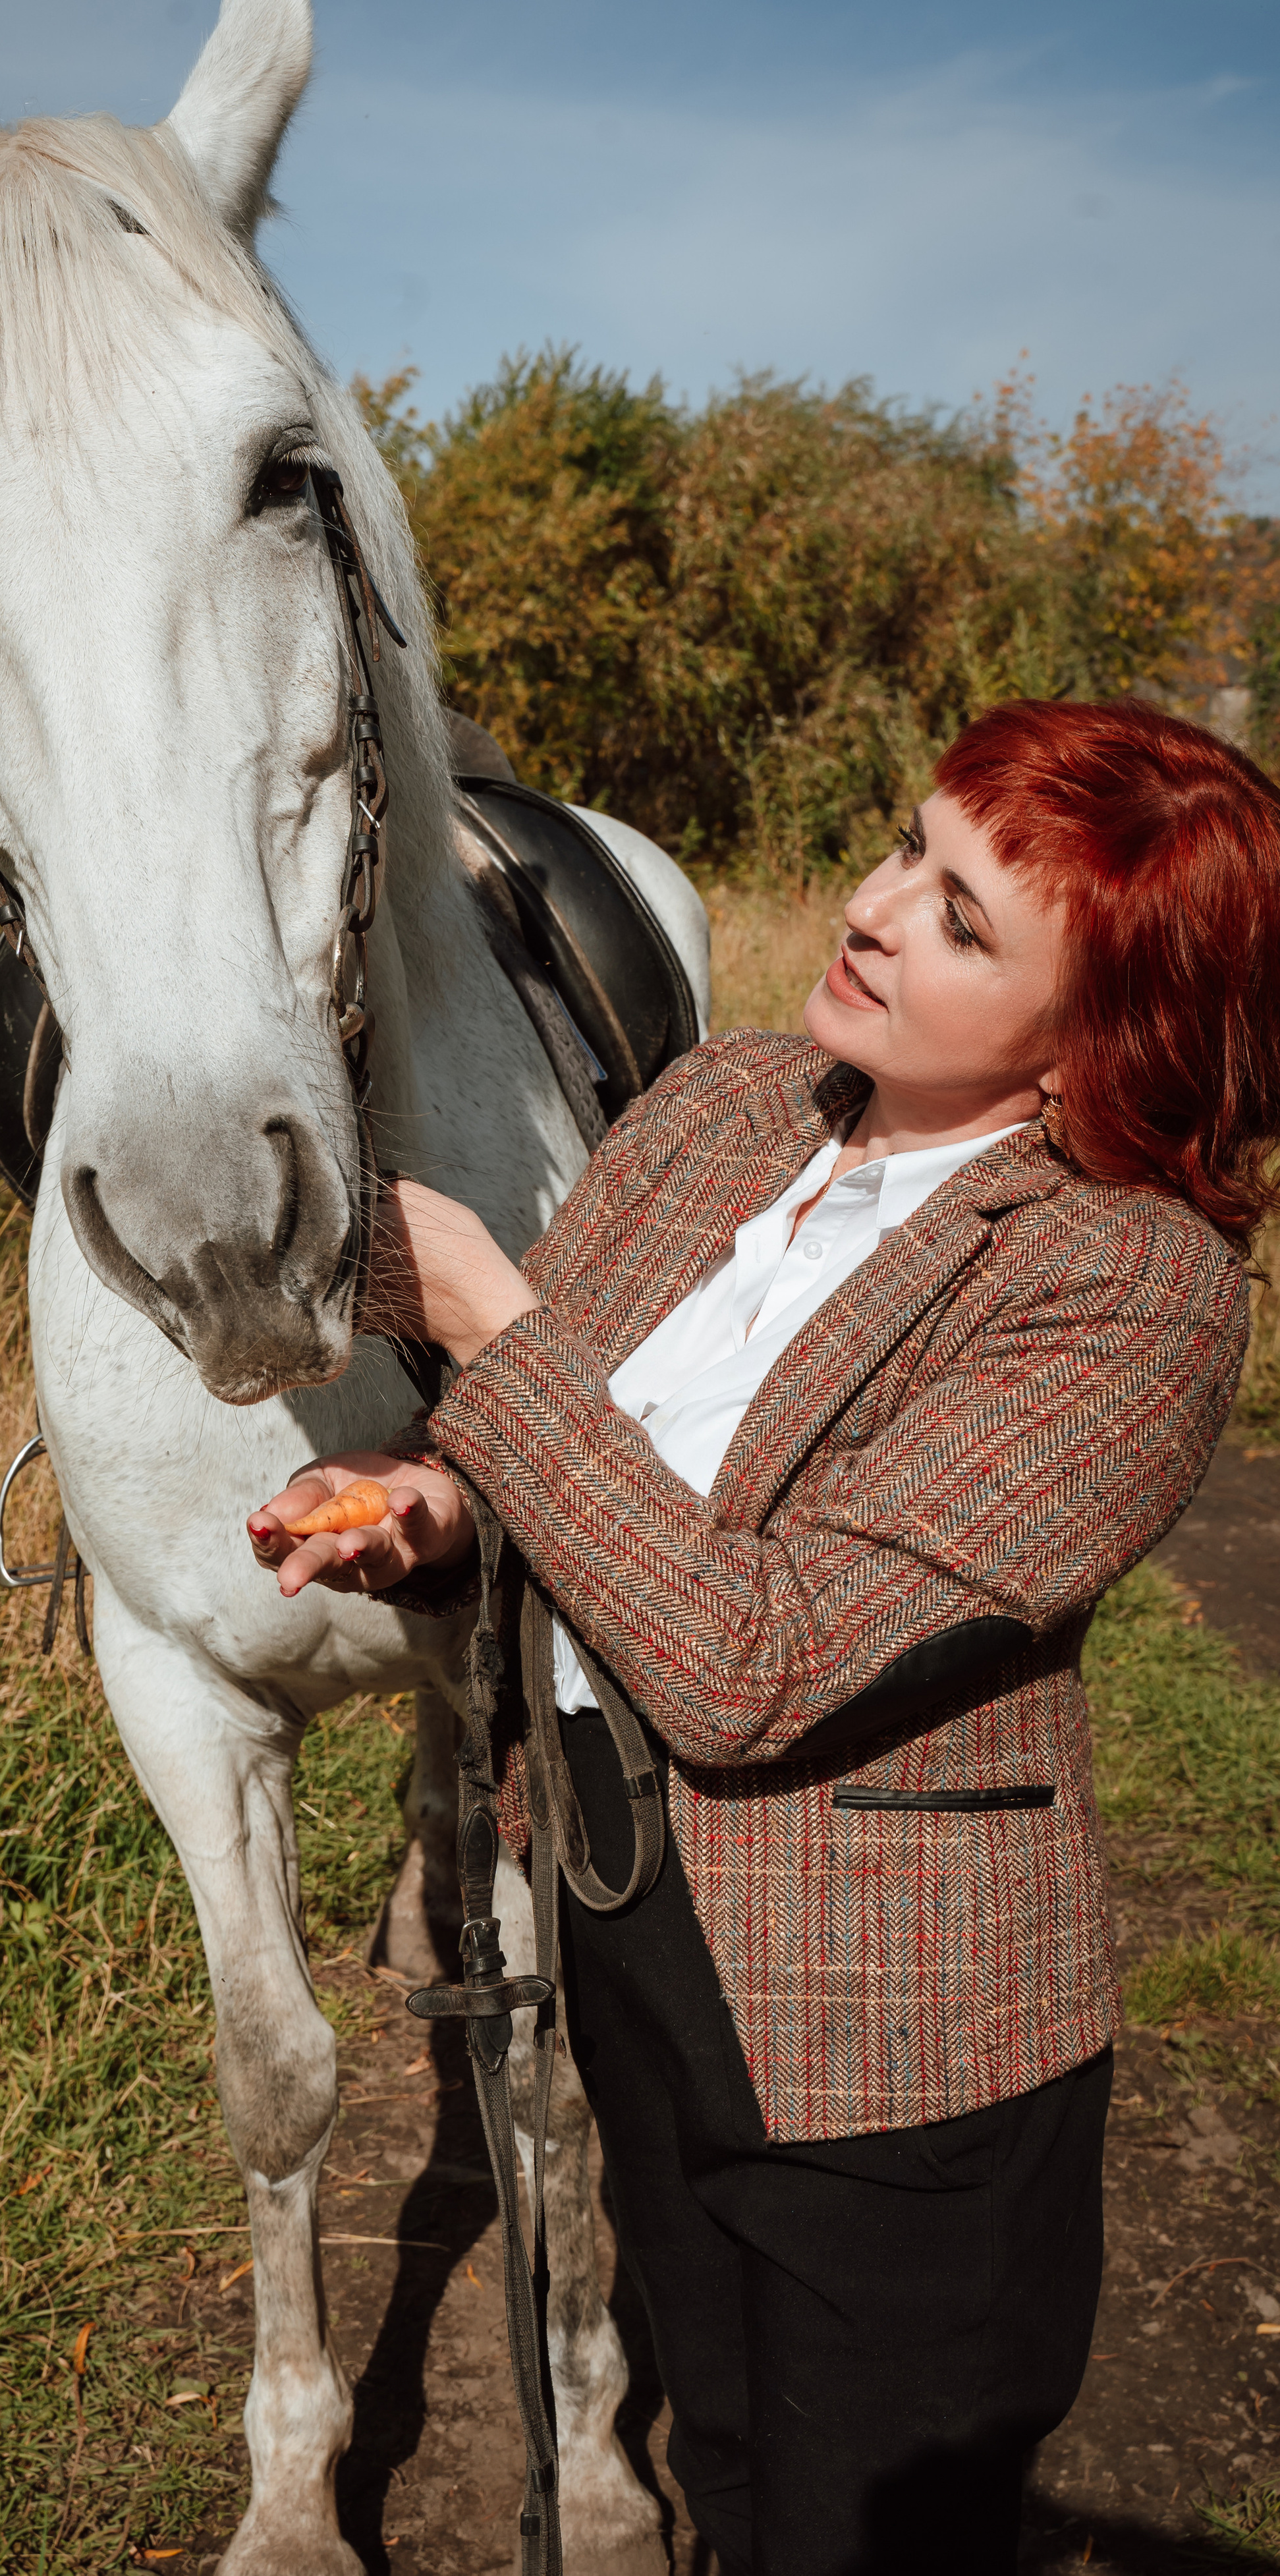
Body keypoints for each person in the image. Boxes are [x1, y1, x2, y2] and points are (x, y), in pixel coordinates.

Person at [247, 696, 1280, 2575]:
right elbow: (559, 1449)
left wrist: (490, 1320)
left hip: (891, 2057)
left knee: (861, 2529)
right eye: (908, 852)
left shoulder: (1128, 1290)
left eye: (968, 921)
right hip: (635, 1938)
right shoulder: (733, 1105)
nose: (881, 910)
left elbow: (757, 1658)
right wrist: (426, 1503)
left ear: (1101, 1039)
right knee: (722, 2459)